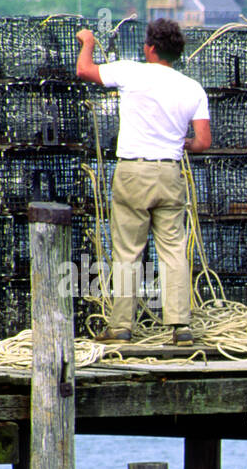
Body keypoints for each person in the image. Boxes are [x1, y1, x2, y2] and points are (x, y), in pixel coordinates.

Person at [75, 20, 211, 345]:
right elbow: (203, 141)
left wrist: (88, 42)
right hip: (169, 172)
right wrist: (183, 144)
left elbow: (84, 71)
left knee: (127, 251)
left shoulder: (131, 72)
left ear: (149, 48)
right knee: (174, 250)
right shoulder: (193, 88)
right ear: (177, 52)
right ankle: (181, 327)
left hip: (133, 172)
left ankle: (121, 326)